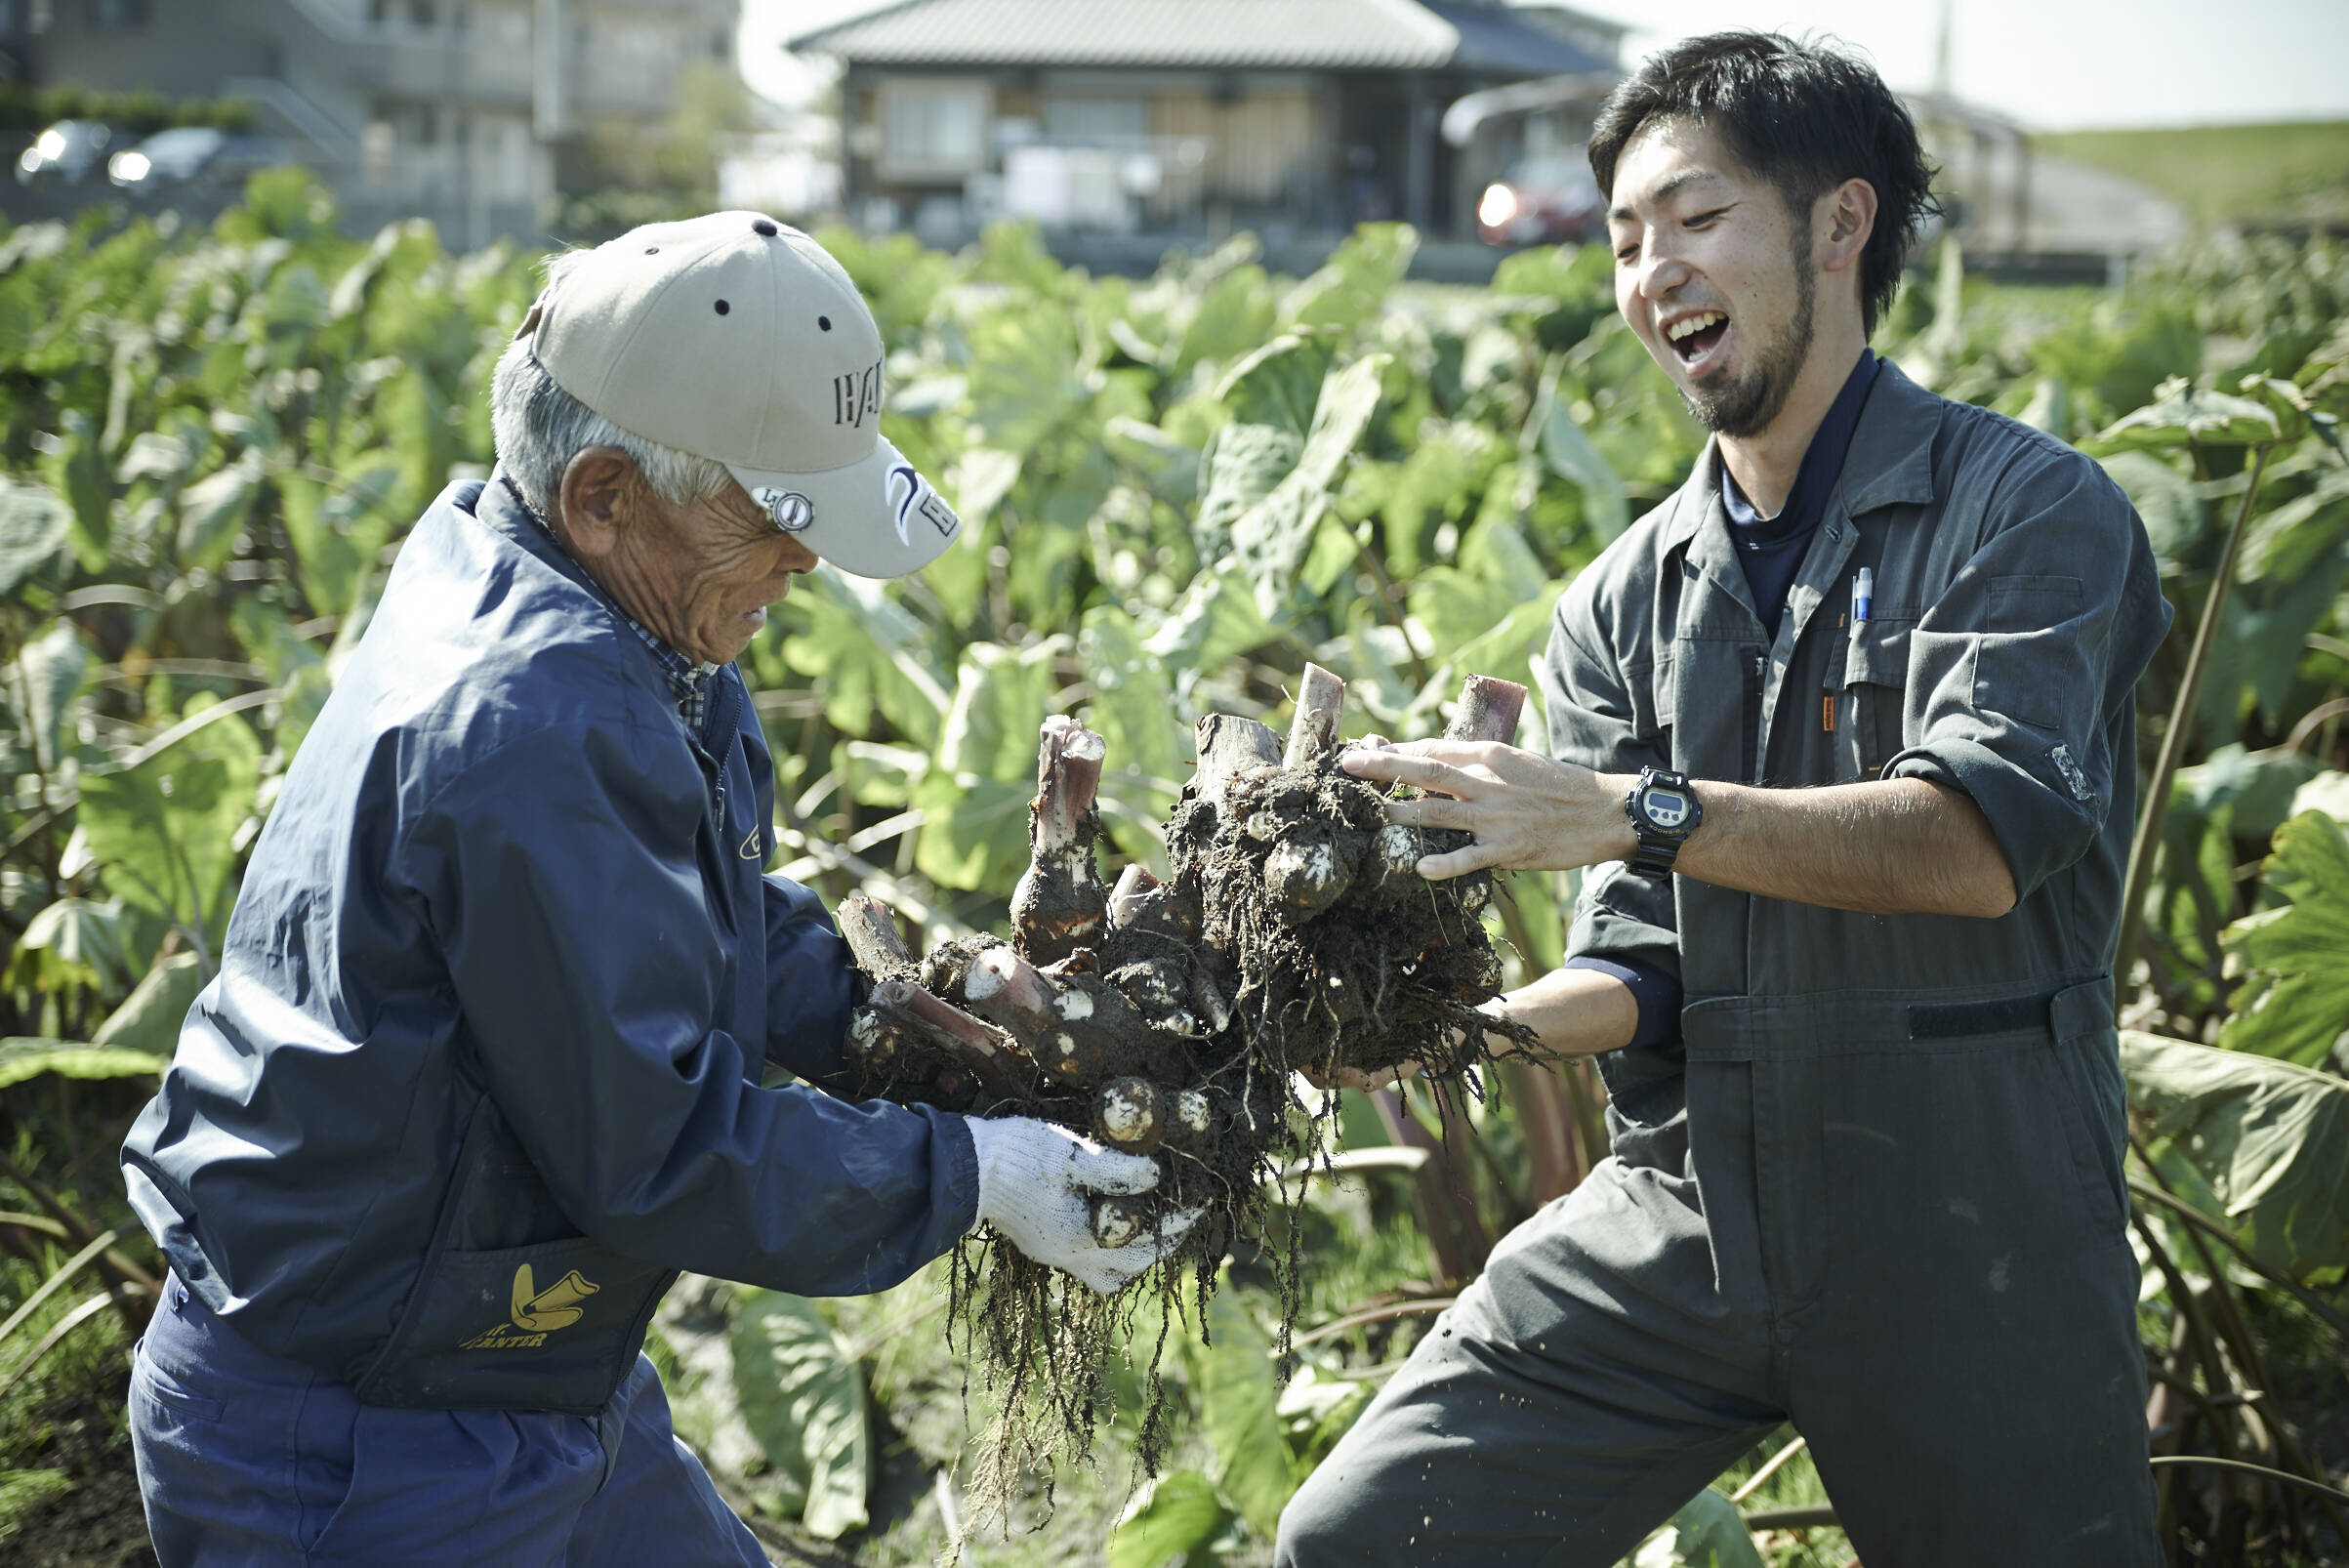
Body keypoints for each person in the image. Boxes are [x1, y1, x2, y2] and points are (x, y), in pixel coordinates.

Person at [118, 213, 1187, 1567]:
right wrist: (974, 1173)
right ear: (605, 493)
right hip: (359, 1435)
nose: (803, 563)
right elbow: (659, 1148)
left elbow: (695, 912)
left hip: (518, 1360)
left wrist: (905, 1009)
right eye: (772, 516)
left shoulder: (581, 598)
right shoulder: (532, 720)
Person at [1279, 33, 2169, 1568]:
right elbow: (1646, 971)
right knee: (1361, 1539)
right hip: (1695, 1210)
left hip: (1969, 1228)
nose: (1649, 273)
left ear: (1841, 223)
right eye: (1624, 240)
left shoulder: (2026, 509)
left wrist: (1635, 807)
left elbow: (1970, 846)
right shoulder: (1622, 599)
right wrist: (1447, 1031)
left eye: (1694, 220)